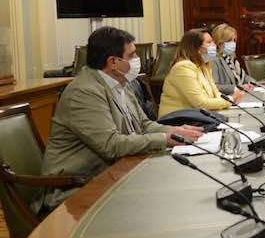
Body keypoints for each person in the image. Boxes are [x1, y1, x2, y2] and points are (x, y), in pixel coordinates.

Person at [39, 27, 203, 211]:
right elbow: (111, 145)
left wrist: (175, 131)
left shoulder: (122, 82)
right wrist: (165, 139)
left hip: (113, 174)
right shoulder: (84, 92)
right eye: (132, 55)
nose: (137, 61)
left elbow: (144, 125)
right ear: (113, 62)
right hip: (76, 188)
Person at [158, 29, 244, 118]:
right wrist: (231, 99)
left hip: (195, 117)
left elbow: (216, 93)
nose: (214, 45)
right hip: (176, 120)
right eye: (209, 42)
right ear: (197, 48)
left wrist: (227, 101)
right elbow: (200, 103)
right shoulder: (183, 68)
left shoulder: (204, 65)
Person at [210, 23, 255, 95]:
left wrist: (253, 83)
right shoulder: (214, 60)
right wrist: (238, 87)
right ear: (219, 43)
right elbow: (215, 86)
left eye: (234, 40)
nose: (233, 43)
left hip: (241, 95)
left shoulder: (231, 59)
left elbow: (244, 77)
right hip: (228, 99)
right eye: (229, 41)